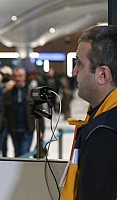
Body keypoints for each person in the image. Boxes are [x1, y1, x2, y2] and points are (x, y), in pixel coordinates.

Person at [60, 25, 117, 200]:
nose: (74, 71)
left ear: (102, 75)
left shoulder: (104, 133)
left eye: (79, 63)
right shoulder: (101, 118)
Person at [0, 67, 35, 157]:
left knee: (24, 153)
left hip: (27, 129)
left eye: (20, 76)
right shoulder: (8, 94)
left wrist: (41, 130)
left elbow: (38, 111)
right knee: (17, 153)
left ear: (24, 77)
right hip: (14, 129)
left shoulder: (31, 92)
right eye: (16, 76)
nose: (18, 78)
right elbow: (2, 111)